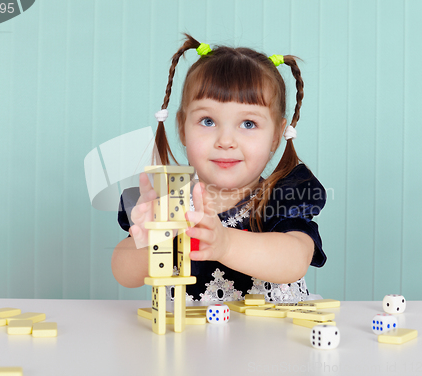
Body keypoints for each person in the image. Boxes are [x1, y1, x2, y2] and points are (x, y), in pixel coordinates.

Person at [111, 34, 327, 303]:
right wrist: (154, 243)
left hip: (272, 341)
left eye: (248, 123)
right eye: (208, 121)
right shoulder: (170, 202)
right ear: (182, 127)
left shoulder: (282, 197)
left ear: (275, 136)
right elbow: (123, 272)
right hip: (191, 342)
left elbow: (296, 259)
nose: (226, 141)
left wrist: (225, 243)